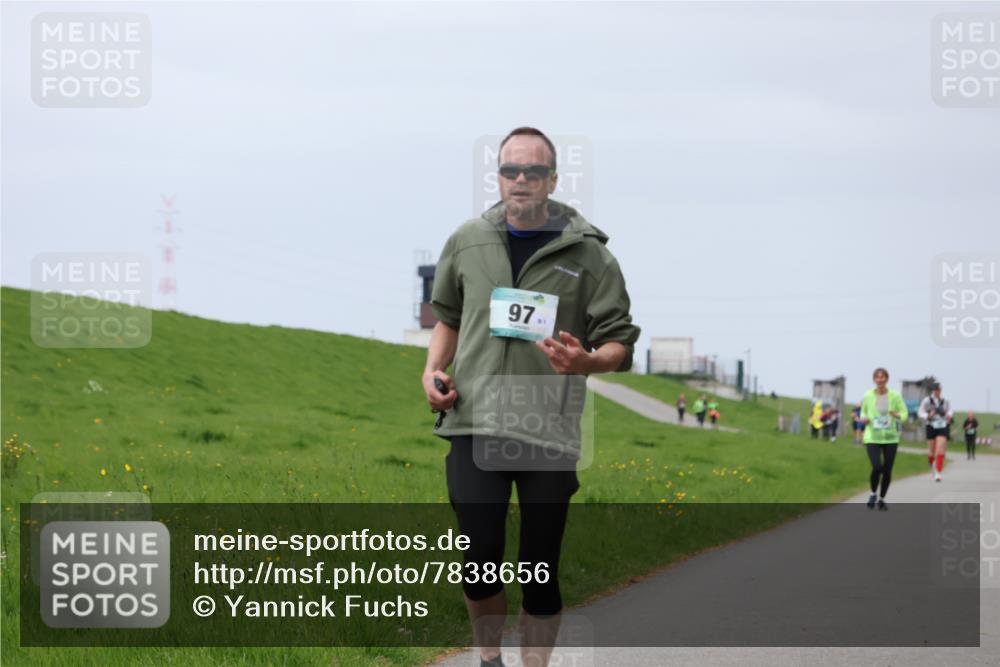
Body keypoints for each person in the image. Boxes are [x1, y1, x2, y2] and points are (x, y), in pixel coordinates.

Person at [422, 127, 640, 667]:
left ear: (553, 179)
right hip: (473, 423)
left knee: (538, 566)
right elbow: (448, 316)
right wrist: (432, 370)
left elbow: (619, 339)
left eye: (534, 172)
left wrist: (589, 361)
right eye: (510, 171)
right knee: (480, 558)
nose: (521, 181)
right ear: (497, 176)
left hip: (547, 431)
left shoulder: (589, 255)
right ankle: (489, 658)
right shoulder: (467, 240)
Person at [859, 367, 909, 510]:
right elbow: (863, 412)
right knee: (877, 467)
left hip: (891, 438)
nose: (880, 379)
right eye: (877, 377)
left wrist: (897, 415)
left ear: (887, 379)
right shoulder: (868, 395)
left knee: (887, 470)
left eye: (883, 377)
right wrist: (864, 419)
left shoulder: (895, 396)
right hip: (872, 437)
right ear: (874, 380)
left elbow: (904, 413)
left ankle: (881, 499)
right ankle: (873, 493)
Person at [918, 382, 953, 482]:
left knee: (940, 449)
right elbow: (920, 412)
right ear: (933, 390)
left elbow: (950, 411)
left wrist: (948, 414)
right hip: (931, 425)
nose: (937, 391)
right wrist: (928, 415)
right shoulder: (927, 400)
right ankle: (931, 463)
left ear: (941, 390)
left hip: (943, 425)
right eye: (935, 390)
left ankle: (938, 473)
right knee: (931, 452)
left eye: (939, 389)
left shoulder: (945, 400)